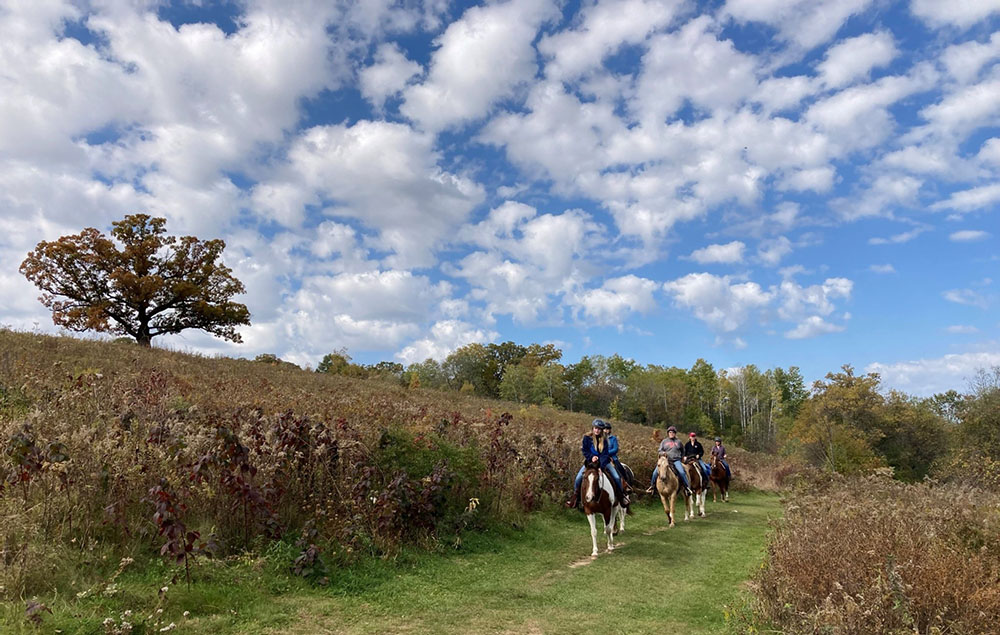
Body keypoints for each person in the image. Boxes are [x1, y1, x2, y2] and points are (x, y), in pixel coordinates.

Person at [564, 419, 629, 508]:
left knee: (617, 477)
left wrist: (600, 467)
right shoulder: (587, 438)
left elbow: (605, 454)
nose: (597, 430)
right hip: (590, 463)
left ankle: (622, 497)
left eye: (599, 429)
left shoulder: (605, 440)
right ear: (593, 428)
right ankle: (575, 499)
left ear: (601, 430)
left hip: (604, 462)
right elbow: (585, 450)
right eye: (595, 428)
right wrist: (591, 457)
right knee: (578, 478)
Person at [646, 426, 693, 496]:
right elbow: (660, 450)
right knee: (655, 472)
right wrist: (663, 453)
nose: (671, 434)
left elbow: (683, 451)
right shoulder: (664, 441)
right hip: (665, 461)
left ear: (675, 434)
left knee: (682, 472)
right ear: (668, 433)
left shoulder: (678, 442)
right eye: (670, 432)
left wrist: (682, 457)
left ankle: (687, 488)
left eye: (673, 432)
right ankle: (652, 487)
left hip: (676, 460)